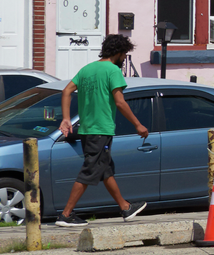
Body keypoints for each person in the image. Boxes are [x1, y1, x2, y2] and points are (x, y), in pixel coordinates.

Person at [55, 35, 149, 226]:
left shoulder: (87, 69)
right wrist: (138, 124)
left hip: (88, 129)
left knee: (105, 170)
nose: (124, 58)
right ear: (118, 53)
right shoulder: (113, 70)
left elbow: (66, 91)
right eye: (124, 54)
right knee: (90, 170)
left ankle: (125, 207)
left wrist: (66, 118)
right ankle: (66, 215)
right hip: (101, 130)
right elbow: (120, 101)